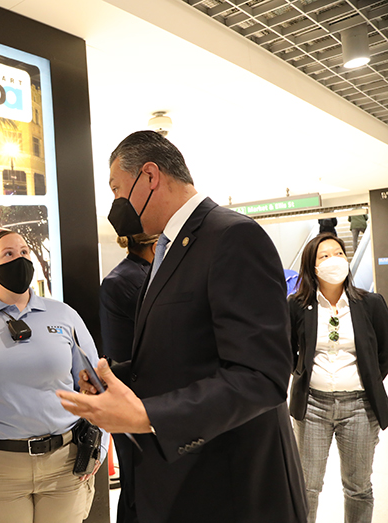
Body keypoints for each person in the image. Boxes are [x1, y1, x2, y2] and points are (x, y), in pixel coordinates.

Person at [57, 130, 307, 522]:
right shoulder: (171, 249)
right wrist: (116, 380)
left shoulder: (231, 236)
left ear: (150, 176)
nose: (116, 204)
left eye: (118, 189)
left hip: (231, 489)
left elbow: (262, 375)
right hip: (184, 482)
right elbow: (185, 352)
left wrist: (148, 415)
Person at [0, 230, 108, 523]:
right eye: (8, 254)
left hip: (65, 463)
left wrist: (101, 444)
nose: (19, 259)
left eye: (24, 252)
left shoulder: (64, 316)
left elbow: (97, 385)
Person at [288, 233, 388, 523]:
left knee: (358, 489)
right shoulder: (297, 305)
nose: (334, 260)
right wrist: (303, 373)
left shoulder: (370, 303)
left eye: (339, 254)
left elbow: (384, 351)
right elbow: (288, 348)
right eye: (325, 256)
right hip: (313, 407)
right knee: (307, 487)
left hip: (360, 407)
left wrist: (365, 378)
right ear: (312, 266)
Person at [98, 232, 156, 523]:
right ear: (157, 245)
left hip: (137, 400)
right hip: (138, 401)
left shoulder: (130, 276)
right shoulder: (132, 281)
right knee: (140, 490)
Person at [99, 233, 158, 364]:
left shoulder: (120, 275)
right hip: (138, 373)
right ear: (156, 248)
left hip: (120, 368)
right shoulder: (143, 282)